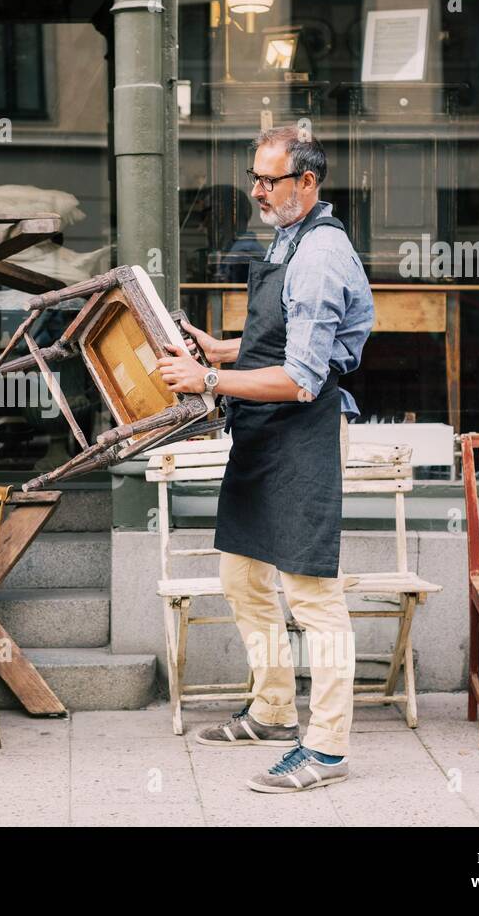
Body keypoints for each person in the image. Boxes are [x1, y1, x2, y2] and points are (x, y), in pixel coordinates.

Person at [156, 125, 375, 793]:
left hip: (301, 433)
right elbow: (279, 340)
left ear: (307, 182)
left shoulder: (317, 256)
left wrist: (208, 382)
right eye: (255, 177)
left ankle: (328, 748)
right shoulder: (288, 235)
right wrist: (222, 350)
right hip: (261, 435)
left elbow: (302, 378)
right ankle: (275, 709)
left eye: (269, 179)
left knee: (313, 595)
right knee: (243, 579)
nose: (257, 190)